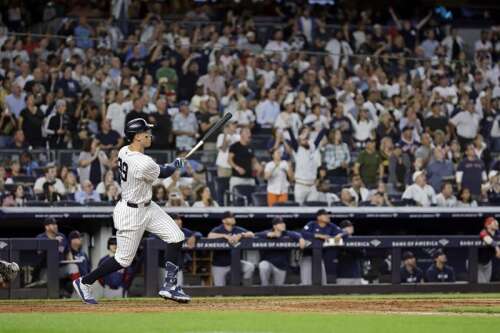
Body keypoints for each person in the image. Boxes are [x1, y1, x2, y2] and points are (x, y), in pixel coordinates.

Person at [73, 118, 190, 305]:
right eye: (146, 132)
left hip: (148, 206)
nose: (149, 135)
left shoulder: (123, 151)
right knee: (123, 260)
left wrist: (173, 164)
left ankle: (170, 286)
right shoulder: (142, 162)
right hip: (131, 213)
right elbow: (164, 172)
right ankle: (84, 282)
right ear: (136, 137)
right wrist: (176, 164)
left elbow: (160, 169)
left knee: (176, 237)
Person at [207, 211, 255, 286]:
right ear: (223, 220)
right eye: (230, 217)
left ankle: (245, 289)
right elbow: (209, 236)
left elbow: (251, 234)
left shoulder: (237, 229)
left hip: (235, 263)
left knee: (249, 267)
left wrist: (242, 235)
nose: (233, 218)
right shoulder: (219, 229)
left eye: (233, 217)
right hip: (220, 264)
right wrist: (224, 236)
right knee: (219, 290)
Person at [255, 217, 305, 286]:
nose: (283, 224)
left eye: (283, 223)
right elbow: (255, 235)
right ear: (274, 226)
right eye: (280, 223)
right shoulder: (268, 232)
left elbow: (297, 234)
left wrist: (300, 238)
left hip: (281, 266)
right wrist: (266, 235)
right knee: (263, 265)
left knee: (278, 289)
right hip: (269, 263)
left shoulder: (287, 234)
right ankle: (264, 288)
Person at [300, 209, 343, 285]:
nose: (328, 216)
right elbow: (303, 233)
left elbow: (343, 232)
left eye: (328, 215)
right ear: (319, 217)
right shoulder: (312, 224)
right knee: (306, 283)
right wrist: (319, 236)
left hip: (320, 257)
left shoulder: (331, 226)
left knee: (322, 282)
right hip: (308, 256)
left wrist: (339, 235)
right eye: (325, 215)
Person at [286, 126, 327, 205]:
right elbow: (293, 140)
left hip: (312, 186)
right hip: (300, 185)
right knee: (299, 209)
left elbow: (319, 138)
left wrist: (324, 127)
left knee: (312, 209)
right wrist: (290, 129)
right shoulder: (297, 149)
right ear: (300, 141)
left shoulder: (312, 147)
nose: (306, 141)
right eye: (303, 140)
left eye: (307, 139)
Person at [169, 213, 202, 286]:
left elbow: (199, 233)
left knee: (178, 288)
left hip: (178, 266)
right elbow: (152, 238)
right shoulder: (164, 230)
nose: (179, 221)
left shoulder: (184, 231)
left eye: (179, 219)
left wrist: (193, 236)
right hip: (164, 266)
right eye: (176, 219)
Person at [228, 127, 261, 192]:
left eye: (249, 132)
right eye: (247, 132)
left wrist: (259, 167)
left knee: (251, 199)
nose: (249, 134)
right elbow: (229, 160)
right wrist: (237, 168)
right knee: (235, 199)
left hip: (250, 178)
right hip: (237, 178)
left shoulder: (251, 147)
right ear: (241, 135)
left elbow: (254, 161)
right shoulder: (234, 146)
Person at [336, 220, 364, 285]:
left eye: (351, 225)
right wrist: (343, 234)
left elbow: (362, 253)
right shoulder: (338, 238)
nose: (352, 227)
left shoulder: (356, 240)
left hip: (356, 274)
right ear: (342, 229)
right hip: (343, 276)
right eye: (349, 226)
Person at [478, 217, 500, 283]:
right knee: (483, 284)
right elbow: (486, 238)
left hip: (487, 264)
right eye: (493, 222)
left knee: (486, 285)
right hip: (476, 263)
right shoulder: (484, 231)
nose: (496, 224)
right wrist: (496, 247)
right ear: (488, 225)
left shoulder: (497, 233)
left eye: (496, 222)